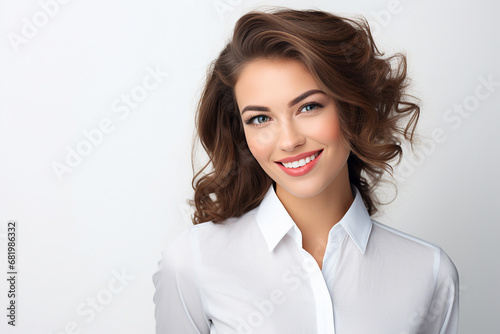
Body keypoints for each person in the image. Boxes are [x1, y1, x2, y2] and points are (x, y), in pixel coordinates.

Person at [152, 7, 459, 334]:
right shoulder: (192, 262)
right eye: (260, 118)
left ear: (351, 108)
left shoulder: (429, 272)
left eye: (309, 107)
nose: (288, 140)